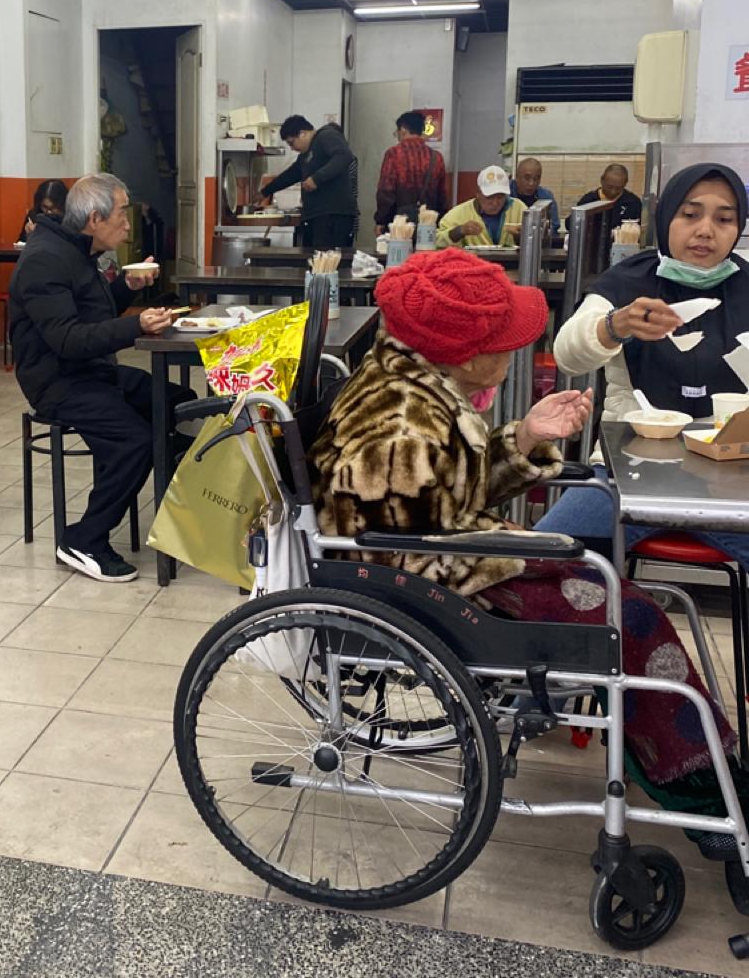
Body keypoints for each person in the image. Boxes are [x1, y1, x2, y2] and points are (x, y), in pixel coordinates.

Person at [309, 248, 746, 843]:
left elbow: (442, 498)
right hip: (429, 591)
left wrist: (525, 436)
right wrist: (529, 553)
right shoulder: (401, 425)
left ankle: (693, 767)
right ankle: (703, 794)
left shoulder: (416, 387)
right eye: (507, 341)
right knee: (629, 617)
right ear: (467, 355)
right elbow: (404, 553)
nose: (518, 349)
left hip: (453, 565)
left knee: (623, 600)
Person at [536, 163, 749, 571]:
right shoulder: (629, 281)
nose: (706, 230)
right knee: (542, 561)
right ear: (666, 216)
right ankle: (622, 610)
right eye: (690, 214)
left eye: (724, 219)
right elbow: (567, 353)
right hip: (627, 471)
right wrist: (614, 326)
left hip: (733, 476)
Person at [8, 173, 187, 582]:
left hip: (92, 371)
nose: (127, 223)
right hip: (58, 382)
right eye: (121, 213)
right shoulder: (45, 260)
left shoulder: (77, 249)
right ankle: (84, 539)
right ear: (94, 218)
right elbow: (68, 339)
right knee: (134, 441)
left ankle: (183, 510)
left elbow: (92, 312)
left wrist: (126, 285)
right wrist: (137, 325)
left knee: (177, 402)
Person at [256, 115, 358, 249]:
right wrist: (265, 192)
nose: (292, 148)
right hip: (317, 217)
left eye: (292, 143)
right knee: (314, 259)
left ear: (302, 133)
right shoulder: (305, 155)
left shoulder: (326, 136)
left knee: (328, 260)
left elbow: (344, 155)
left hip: (333, 216)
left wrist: (317, 178)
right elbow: (290, 175)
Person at [373, 110, 450, 234]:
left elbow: (386, 191)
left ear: (403, 130)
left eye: (397, 132)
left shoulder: (394, 154)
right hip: (429, 224)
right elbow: (443, 195)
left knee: (399, 247)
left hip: (399, 225)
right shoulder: (436, 157)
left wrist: (381, 221)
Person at [436, 165, 523, 248]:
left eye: (501, 197)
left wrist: (521, 236)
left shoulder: (519, 209)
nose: (495, 203)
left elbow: (531, 240)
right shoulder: (458, 214)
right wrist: (459, 231)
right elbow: (436, 241)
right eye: (490, 197)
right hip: (472, 259)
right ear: (478, 193)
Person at [577, 163, 643, 224]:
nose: (613, 192)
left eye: (618, 188)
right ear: (602, 180)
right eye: (609, 187)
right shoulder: (588, 201)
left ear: (625, 183)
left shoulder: (633, 202)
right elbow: (575, 224)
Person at [513, 156, 560, 232]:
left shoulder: (546, 197)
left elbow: (554, 226)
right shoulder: (505, 195)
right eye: (527, 178)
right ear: (517, 177)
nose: (531, 183)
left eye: (536, 178)